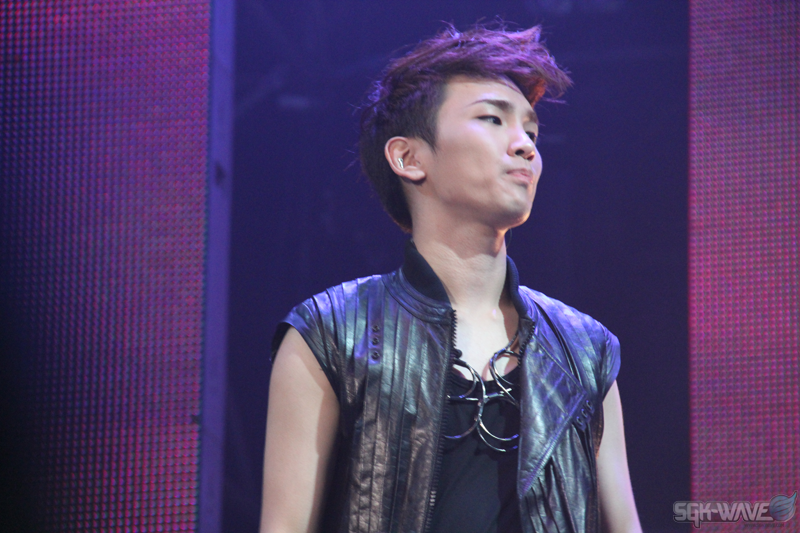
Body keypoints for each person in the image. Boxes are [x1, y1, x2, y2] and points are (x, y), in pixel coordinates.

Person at [260, 24, 642, 533]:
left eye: (531, 131)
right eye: (492, 119)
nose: (526, 146)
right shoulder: (330, 335)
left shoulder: (585, 351)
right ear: (409, 157)